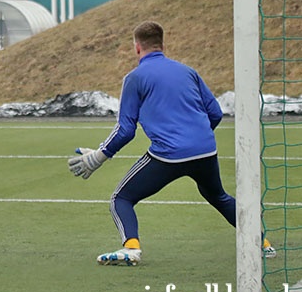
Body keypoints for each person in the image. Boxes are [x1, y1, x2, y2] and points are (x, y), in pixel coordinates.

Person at [67, 21, 276, 266]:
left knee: (120, 199)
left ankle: (131, 248)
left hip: (168, 155)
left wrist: (98, 156)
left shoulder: (135, 78)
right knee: (218, 196)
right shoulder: (188, 71)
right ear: (162, 45)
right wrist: (196, 138)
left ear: (136, 48)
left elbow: (125, 130)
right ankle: (262, 243)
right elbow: (216, 113)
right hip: (205, 151)